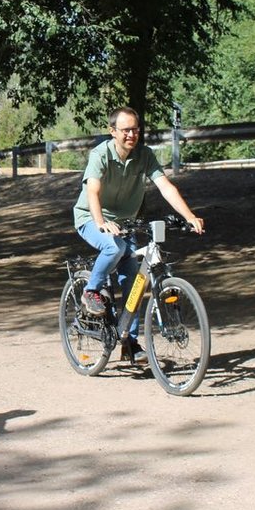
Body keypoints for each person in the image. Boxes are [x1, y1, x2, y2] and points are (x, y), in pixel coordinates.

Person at [73, 107, 205, 361]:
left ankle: (129, 342)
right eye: (125, 130)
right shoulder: (100, 154)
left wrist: (189, 216)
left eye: (135, 129)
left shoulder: (144, 155)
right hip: (91, 217)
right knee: (115, 248)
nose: (131, 134)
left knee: (134, 281)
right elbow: (93, 192)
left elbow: (165, 186)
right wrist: (101, 222)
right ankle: (91, 291)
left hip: (125, 223)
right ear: (113, 132)